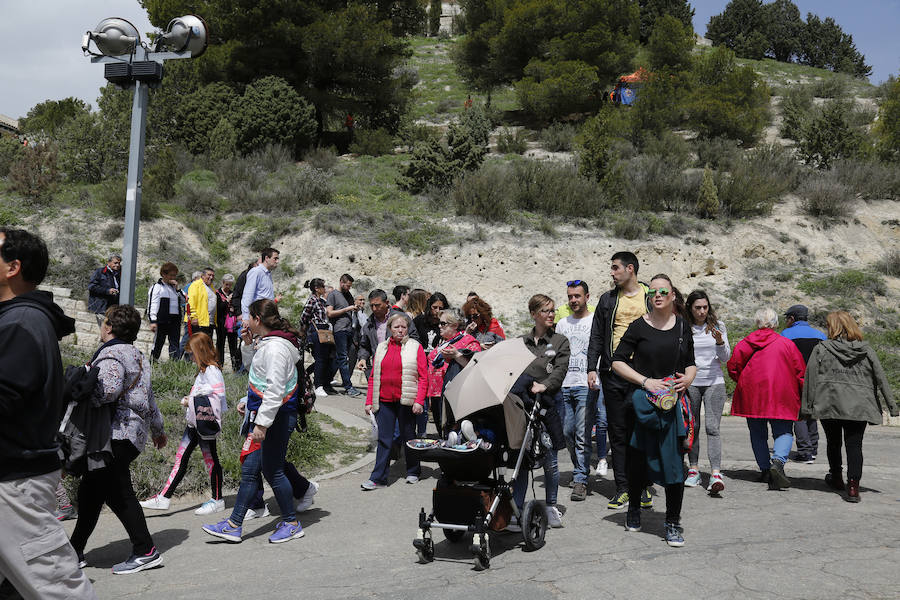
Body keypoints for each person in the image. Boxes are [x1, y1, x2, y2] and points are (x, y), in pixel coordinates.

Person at [0, 228, 96, 599]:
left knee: (60, 592)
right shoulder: (18, 321)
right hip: (14, 479)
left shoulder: (21, 323)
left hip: (13, 487)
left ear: (13, 267)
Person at [69, 304, 167, 574]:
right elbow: (148, 397)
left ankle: (145, 550)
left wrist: (81, 390)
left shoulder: (111, 354)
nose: (102, 326)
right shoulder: (137, 355)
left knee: (118, 492)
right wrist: (158, 429)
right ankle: (74, 549)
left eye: (104, 322)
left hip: (114, 434)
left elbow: (109, 391)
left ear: (110, 327)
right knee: (91, 491)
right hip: (131, 434)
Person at [202, 299, 306, 544]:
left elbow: (275, 390)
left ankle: (290, 523)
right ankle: (234, 525)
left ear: (258, 320)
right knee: (254, 470)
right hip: (268, 415)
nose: (243, 320)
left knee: (272, 471)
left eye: (247, 316)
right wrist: (248, 345)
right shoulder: (268, 344)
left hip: (276, 418)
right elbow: (256, 372)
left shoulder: (276, 348)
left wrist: (261, 424)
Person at [611, 274, 696, 547]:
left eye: (663, 291)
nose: (657, 295)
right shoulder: (638, 327)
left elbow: (691, 363)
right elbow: (617, 362)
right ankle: (634, 508)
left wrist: (689, 378)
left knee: (674, 468)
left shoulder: (683, 327)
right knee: (637, 464)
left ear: (672, 297)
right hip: (642, 405)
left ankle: (672, 522)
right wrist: (645, 381)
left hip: (671, 408)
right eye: (653, 292)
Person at [801, 311, 898, 502]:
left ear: (832, 327)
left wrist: (806, 408)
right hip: (859, 405)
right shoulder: (866, 350)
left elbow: (810, 379)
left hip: (830, 403)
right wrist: (892, 406)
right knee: (855, 445)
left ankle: (836, 478)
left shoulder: (822, 348)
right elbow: (881, 377)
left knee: (833, 442)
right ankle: (853, 487)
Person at [586, 251, 653, 510]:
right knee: (618, 433)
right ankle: (623, 487)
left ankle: (645, 485)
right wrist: (592, 367)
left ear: (630, 269)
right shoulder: (607, 299)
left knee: (644, 431)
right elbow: (597, 336)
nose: (612, 273)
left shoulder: (650, 296)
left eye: (616, 268)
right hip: (613, 374)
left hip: (644, 375)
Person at [140, 333, 226, 515]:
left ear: (200, 351)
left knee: (210, 460)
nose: (191, 357)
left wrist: (190, 400)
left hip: (204, 423)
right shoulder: (206, 370)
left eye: (192, 353)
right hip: (196, 423)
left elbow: (219, 396)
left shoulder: (212, 370)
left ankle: (217, 499)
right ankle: (164, 497)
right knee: (182, 459)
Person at [727, 307, 806, 490]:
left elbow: (733, 366)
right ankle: (777, 462)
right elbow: (800, 372)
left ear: (757, 322)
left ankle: (764, 470)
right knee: (784, 431)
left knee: (757, 433)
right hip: (782, 393)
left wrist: (744, 382)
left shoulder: (746, 343)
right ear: (776, 323)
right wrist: (802, 394)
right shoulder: (786, 344)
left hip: (752, 394)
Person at [510, 294, 569, 529]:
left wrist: (544, 385)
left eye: (553, 310)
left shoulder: (560, 341)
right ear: (534, 314)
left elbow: (560, 370)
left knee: (550, 458)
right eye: (546, 311)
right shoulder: (521, 342)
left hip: (550, 403)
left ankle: (551, 506)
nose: (551, 315)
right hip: (523, 405)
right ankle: (517, 507)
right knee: (522, 457)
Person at [361, 313, 427, 489]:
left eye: (403, 327)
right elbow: (374, 376)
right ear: (390, 328)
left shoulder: (415, 347)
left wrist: (419, 401)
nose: (400, 330)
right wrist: (369, 401)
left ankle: (413, 471)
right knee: (384, 439)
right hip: (384, 400)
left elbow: (423, 377)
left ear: (407, 329)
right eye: (396, 327)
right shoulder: (382, 347)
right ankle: (378, 478)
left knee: (408, 436)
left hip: (406, 400)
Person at [684, 290, 731, 494]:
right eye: (698, 308)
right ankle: (693, 469)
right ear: (690, 308)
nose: (702, 311)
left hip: (714, 382)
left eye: (705, 307)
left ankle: (715, 473)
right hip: (692, 382)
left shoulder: (718, 327)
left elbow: (726, 358)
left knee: (713, 428)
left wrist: (720, 342)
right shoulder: (684, 328)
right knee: (692, 427)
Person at [554, 280, 596, 502]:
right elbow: (557, 354)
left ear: (587, 297)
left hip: (586, 385)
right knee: (568, 432)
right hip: (565, 384)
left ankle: (580, 479)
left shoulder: (594, 321)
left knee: (581, 434)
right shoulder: (562, 324)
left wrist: (595, 373)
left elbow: (597, 349)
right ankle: (581, 467)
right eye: (570, 296)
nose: (573, 300)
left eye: (577, 296)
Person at [781, 304, 827, 464]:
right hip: (816, 380)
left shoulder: (785, 335)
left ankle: (805, 452)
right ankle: (813, 449)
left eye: (787, 318)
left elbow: (782, 360)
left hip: (794, 380)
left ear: (792, 318)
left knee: (798, 415)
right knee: (812, 414)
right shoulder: (821, 335)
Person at [425, 309, 481, 437]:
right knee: (442, 431)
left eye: (443, 323)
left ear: (455, 325)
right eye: (439, 323)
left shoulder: (468, 341)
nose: (439, 326)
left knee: (454, 433)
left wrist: (457, 355)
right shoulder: (443, 343)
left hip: (455, 396)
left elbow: (476, 366)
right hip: (436, 393)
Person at [356, 289, 420, 376]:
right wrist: (363, 358)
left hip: (401, 368)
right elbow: (364, 346)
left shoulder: (402, 318)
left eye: (377, 305)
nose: (374, 309)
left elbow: (414, 340)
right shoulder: (369, 325)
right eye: (372, 306)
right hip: (379, 370)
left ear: (386, 303)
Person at [326, 274, 361, 397]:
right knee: (342, 358)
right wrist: (347, 309)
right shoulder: (333, 295)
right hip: (339, 330)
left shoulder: (348, 295)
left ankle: (326, 383)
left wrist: (354, 308)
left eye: (350, 286)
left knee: (338, 359)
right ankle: (348, 387)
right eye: (347, 286)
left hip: (348, 330)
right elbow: (329, 313)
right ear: (341, 282)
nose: (349, 288)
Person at [301, 279, 332, 397]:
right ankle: (318, 385)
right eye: (323, 287)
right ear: (317, 288)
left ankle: (306, 376)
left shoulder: (321, 301)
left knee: (325, 359)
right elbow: (304, 317)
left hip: (324, 330)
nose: (325, 289)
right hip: (317, 331)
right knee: (320, 359)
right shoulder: (312, 300)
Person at [148, 262, 182, 362]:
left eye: (174, 275)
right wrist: (153, 320)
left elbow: (185, 300)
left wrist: (178, 289)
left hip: (175, 320)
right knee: (159, 342)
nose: (173, 278)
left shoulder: (174, 288)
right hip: (162, 319)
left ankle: (174, 364)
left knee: (175, 343)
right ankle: (153, 362)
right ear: (164, 274)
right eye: (171, 275)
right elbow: (152, 304)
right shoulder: (157, 287)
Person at [241, 248, 280, 324]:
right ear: (266, 258)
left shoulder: (268, 274)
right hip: (258, 316)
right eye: (275, 258)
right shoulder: (256, 272)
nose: (277, 261)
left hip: (267, 316)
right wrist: (246, 318)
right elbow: (248, 295)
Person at [214, 274, 240, 371]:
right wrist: (226, 301)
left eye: (230, 285)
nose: (228, 287)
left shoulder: (233, 294)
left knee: (233, 344)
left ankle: (235, 367)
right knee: (220, 344)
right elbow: (217, 308)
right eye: (226, 284)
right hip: (221, 322)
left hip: (231, 323)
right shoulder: (217, 293)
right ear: (222, 283)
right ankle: (219, 366)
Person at [88, 254, 120, 328]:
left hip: (113, 308)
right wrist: (107, 291)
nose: (118, 265)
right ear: (109, 263)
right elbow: (92, 287)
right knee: (105, 329)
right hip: (102, 307)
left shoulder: (118, 273)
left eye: (119, 263)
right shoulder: (100, 272)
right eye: (115, 263)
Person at [185, 268, 216, 339]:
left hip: (209, 322)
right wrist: (193, 316)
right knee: (195, 344)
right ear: (203, 276)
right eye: (209, 275)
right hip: (199, 322)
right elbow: (191, 301)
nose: (211, 277)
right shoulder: (196, 285)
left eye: (213, 276)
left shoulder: (211, 288)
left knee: (205, 345)